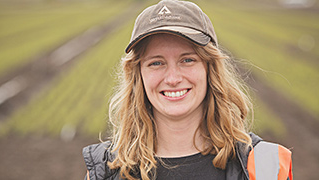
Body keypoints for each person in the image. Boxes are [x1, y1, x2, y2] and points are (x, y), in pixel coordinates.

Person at [82, 0, 293, 180]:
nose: (173, 79)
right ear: (139, 76)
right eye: (156, 63)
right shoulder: (106, 171)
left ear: (210, 69)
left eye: (188, 60)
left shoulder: (266, 167)